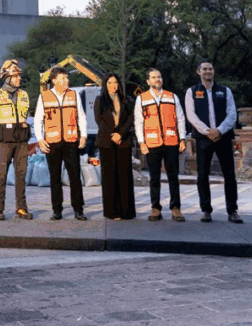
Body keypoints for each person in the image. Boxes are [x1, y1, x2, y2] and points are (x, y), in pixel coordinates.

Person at [184, 60, 242, 223]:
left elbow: (232, 114)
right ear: (199, 72)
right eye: (204, 69)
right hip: (203, 138)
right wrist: (207, 131)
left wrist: (219, 130)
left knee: (229, 174)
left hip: (223, 137)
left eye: (210, 69)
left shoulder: (225, 91)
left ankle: (232, 210)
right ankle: (206, 210)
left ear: (213, 71)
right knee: (202, 175)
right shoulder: (192, 91)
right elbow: (191, 115)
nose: (208, 71)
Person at [34, 66, 88, 220]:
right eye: (63, 78)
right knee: (55, 177)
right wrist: (40, 139)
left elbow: (81, 117)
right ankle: (57, 210)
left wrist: (83, 135)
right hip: (52, 142)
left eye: (67, 77)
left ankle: (78, 210)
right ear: (54, 80)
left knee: (75, 176)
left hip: (71, 141)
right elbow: (38, 120)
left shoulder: (74, 95)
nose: (67, 80)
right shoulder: (44, 96)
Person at [134, 68, 187, 222]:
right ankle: (155, 208)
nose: (157, 79)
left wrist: (182, 139)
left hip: (171, 142)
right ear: (148, 81)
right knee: (154, 177)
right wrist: (141, 142)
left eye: (159, 76)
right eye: (153, 77)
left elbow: (180, 118)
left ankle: (175, 208)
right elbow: (139, 122)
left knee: (173, 177)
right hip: (152, 143)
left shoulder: (172, 97)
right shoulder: (142, 99)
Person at [0, 59, 33, 221]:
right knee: (2, 176)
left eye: (19, 76)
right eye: (15, 76)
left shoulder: (24, 95)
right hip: (5, 142)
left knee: (21, 176)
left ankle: (21, 208)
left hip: (22, 141)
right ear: (7, 78)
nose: (18, 79)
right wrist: (3, 131)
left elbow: (25, 115)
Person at [94, 73, 136, 220]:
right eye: (110, 82)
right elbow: (99, 120)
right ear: (105, 85)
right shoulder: (100, 100)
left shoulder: (126, 100)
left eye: (115, 82)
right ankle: (112, 211)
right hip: (106, 141)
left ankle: (127, 211)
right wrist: (113, 134)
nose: (113, 85)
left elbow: (131, 118)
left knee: (125, 176)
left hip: (123, 141)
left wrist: (120, 134)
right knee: (109, 177)